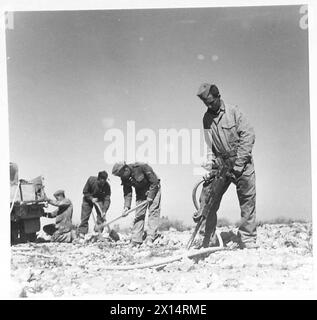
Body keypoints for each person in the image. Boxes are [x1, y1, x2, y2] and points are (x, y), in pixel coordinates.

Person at [196, 83, 258, 249]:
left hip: (241, 163)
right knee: (207, 199)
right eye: (205, 103)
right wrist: (210, 166)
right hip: (221, 164)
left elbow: (248, 136)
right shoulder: (206, 118)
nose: (209, 106)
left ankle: (248, 238)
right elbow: (210, 145)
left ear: (218, 96)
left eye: (211, 102)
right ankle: (208, 239)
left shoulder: (234, 112)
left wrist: (239, 164)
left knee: (247, 201)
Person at [112, 161, 161, 247]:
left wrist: (150, 196)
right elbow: (127, 193)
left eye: (121, 174)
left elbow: (155, 182)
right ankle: (136, 239)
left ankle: (151, 237)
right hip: (141, 193)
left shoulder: (142, 166)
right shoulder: (124, 177)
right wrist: (126, 207)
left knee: (153, 212)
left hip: (154, 189)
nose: (121, 177)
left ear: (126, 169)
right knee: (139, 215)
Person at [77, 171, 111, 236]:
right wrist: (91, 198)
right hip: (88, 199)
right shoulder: (91, 180)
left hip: (99, 200)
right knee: (85, 216)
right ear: (98, 179)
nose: (102, 184)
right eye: (101, 182)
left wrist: (104, 211)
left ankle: (98, 232)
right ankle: (82, 232)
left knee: (101, 215)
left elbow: (107, 199)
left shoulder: (107, 186)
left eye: (104, 182)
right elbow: (85, 191)